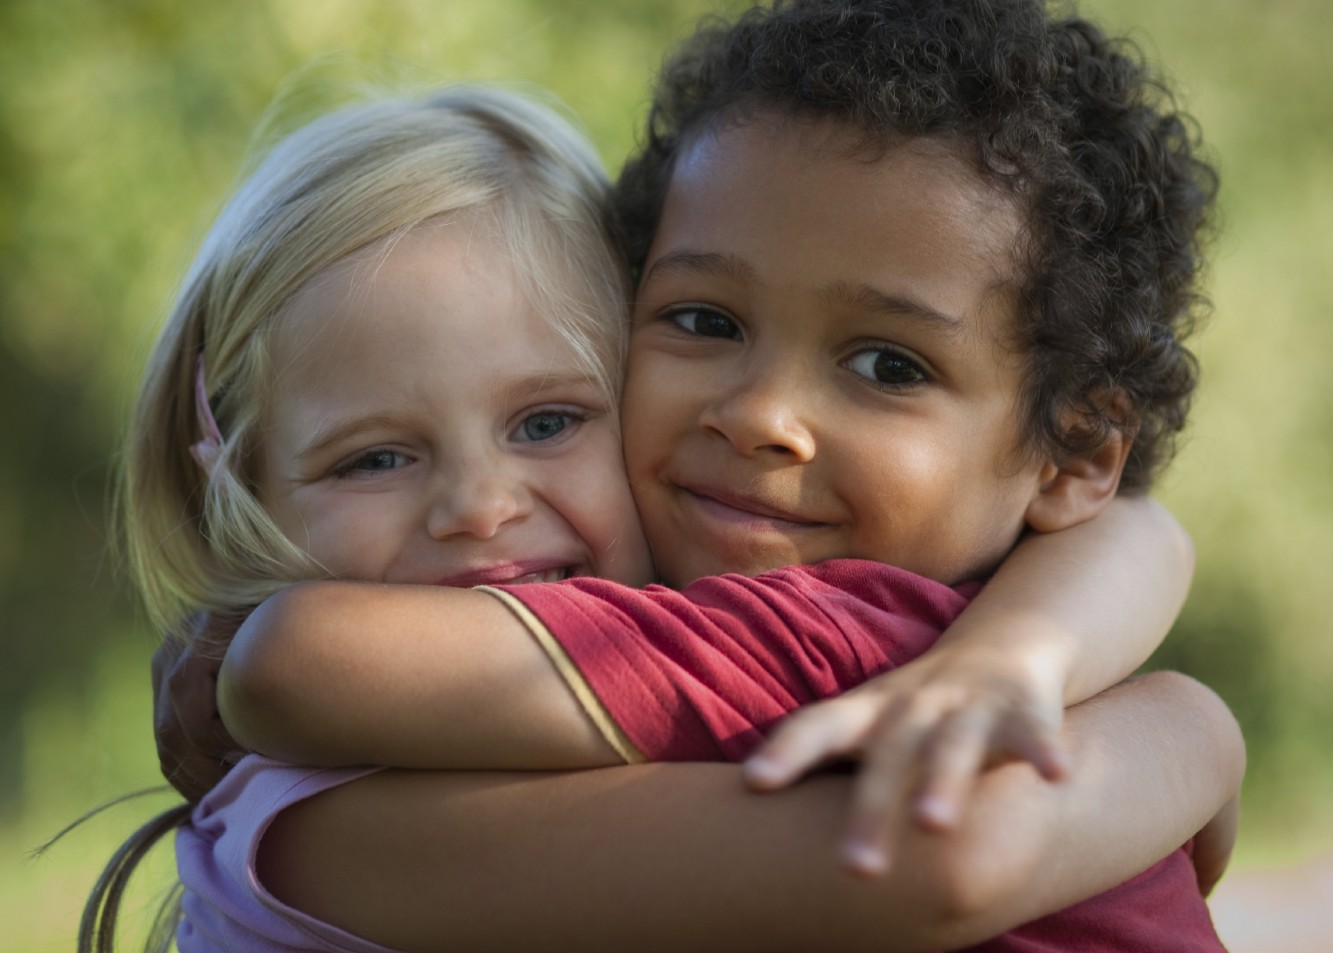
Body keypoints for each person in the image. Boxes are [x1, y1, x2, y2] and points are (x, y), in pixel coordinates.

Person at [108, 4, 1240, 952]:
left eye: (888, 365)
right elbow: (948, 852)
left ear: (1074, 452)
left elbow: (1136, 529)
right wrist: (1183, 730)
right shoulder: (335, 817)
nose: (756, 415)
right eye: (704, 321)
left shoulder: (912, 646)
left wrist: (1109, 690)